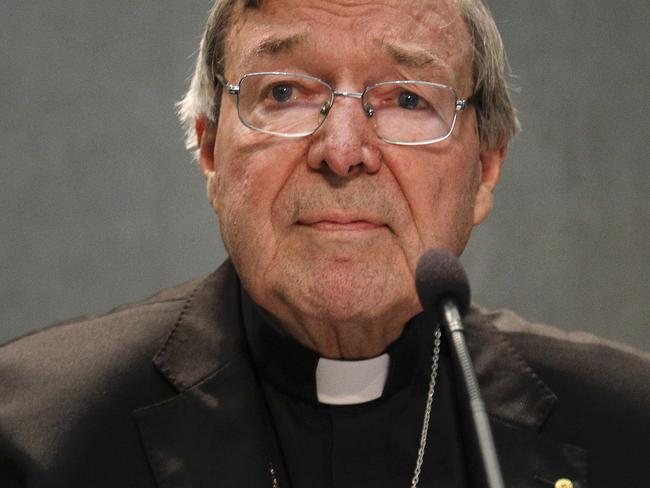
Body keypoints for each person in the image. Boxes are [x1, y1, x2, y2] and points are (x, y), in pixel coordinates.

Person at [1, 0, 648, 487]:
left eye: (404, 97)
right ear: (208, 150)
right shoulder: (33, 431)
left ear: (484, 168)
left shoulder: (630, 427)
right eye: (284, 91)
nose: (343, 151)